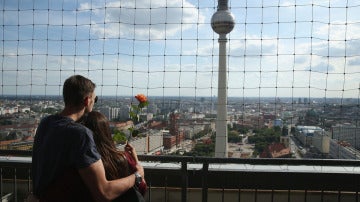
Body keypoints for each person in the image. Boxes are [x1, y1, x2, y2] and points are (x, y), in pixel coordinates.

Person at [31, 75, 144, 201]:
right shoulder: (80, 134)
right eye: (94, 100)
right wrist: (137, 176)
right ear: (86, 101)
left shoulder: (46, 123)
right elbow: (104, 192)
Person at [79, 111, 147, 201]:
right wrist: (136, 161)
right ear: (106, 131)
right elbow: (142, 187)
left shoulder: (79, 161)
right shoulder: (121, 158)